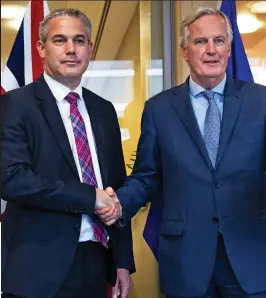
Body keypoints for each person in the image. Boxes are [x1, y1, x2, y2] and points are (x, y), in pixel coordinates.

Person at [96, 7, 266, 298]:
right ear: (185, 51)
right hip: (186, 260)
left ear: (229, 48)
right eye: (201, 42)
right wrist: (118, 204)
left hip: (249, 254)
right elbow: (146, 176)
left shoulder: (260, 101)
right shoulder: (159, 109)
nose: (211, 50)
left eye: (219, 41)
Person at [0, 8, 135, 298]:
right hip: (37, 270)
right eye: (60, 40)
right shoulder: (15, 105)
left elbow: (116, 187)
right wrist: (89, 197)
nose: (71, 50)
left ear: (90, 49)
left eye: (80, 40)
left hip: (96, 264)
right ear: (41, 48)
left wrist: (122, 262)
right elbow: (11, 179)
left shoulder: (104, 110)